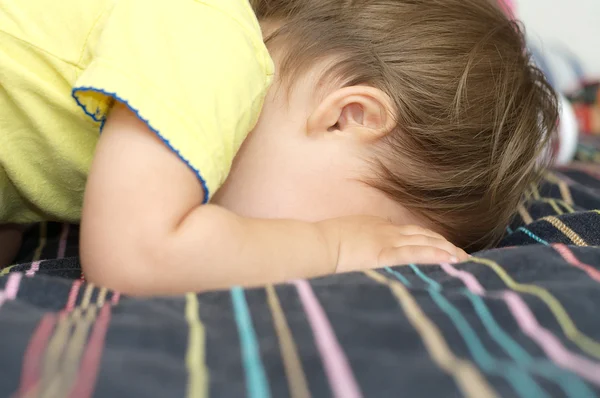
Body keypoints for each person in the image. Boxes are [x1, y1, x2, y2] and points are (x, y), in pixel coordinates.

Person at [0, 0, 557, 295]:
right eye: (356, 221)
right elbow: (138, 256)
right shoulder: (212, 43)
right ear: (348, 116)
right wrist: (334, 247)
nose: (281, 248)